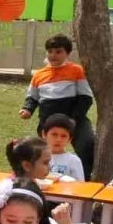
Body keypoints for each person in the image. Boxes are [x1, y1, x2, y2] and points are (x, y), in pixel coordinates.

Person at [20, 34, 95, 180]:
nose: (53, 55)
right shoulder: (39, 75)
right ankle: (41, 179)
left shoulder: (76, 70)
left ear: (67, 53)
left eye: (58, 51)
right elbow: (32, 97)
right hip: (48, 121)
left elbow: (85, 98)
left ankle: (86, 179)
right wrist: (27, 109)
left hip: (74, 119)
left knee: (87, 144)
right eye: (50, 52)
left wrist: (74, 119)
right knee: (41, 152)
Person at [40, 114, 85, 182]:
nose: (58, 139)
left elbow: (80, 186)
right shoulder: (37, 157)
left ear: (69, 139)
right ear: (44, 134)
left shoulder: (74, 160)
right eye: (54, 134)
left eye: (63, 136)